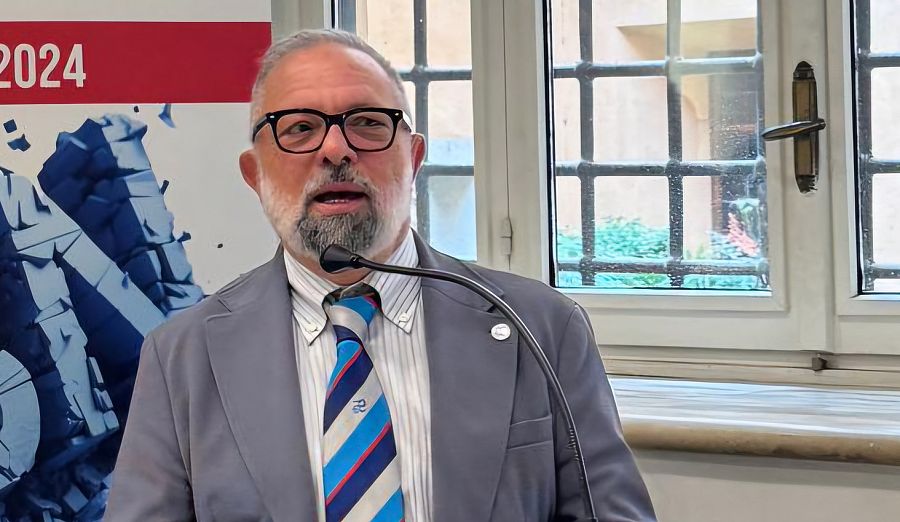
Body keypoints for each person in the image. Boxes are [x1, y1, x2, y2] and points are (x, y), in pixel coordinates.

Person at [104, 29, 656, 522]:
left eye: (367, 123)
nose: (335, 149)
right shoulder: (183, 358)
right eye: (299, 128)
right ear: (254, 173)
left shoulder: (542, 328)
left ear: (413, 158)